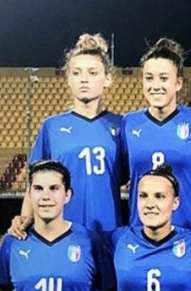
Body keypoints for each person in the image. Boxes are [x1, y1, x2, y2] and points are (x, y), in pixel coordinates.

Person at [14, 33, 123, 234]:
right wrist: (24, 221)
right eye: (76, 73)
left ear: (107, 79)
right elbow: (34, 181)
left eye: (92, 72)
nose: (84, 79)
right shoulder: (52, 127)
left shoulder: (121, 126)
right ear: (68, 79)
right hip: (63, 234)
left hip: (110, 233)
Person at [0, 161, 113, 291]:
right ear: (30, 194)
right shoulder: (13, 242)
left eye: (54, 188)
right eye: (38, 189)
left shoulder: (89, 241)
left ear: (67, 195)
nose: (46, 196)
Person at [121, 38, 191, 232]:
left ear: (178, 83)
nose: (156, 85)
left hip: (187, 231)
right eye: (149, 78)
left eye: (163, 78)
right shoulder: (128, 123)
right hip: (141, 232)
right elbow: (120, 173)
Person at [107, 165, 191, 291]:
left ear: (175, 202)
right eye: (143, 195)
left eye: (159, 196)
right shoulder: (117, 240)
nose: (150, 204)